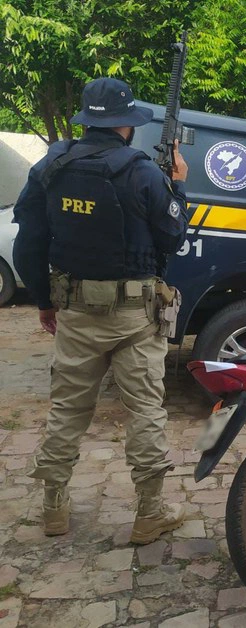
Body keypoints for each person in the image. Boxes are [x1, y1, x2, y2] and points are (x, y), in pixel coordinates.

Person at [12, 77, 190, 544]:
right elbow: (173, 238)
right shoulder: (143, 173)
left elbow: (29, 242)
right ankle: (149, 512)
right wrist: (179, 188)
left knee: (68, 408)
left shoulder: (51, 166)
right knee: (145, 409)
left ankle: (54, 508)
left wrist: (43, 301)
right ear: (126, 126)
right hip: (135, 316)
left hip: (73, 311)